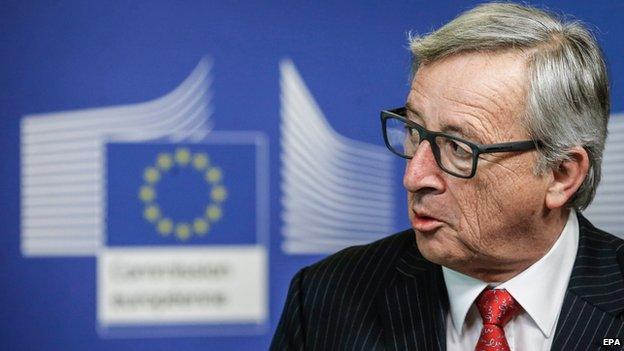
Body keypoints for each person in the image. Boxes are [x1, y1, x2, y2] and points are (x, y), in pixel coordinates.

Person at [271, 2, 624, 350]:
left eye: (459, 147)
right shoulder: (325, 299)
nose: (415, 177)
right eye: (414, 131)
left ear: (561, 174)